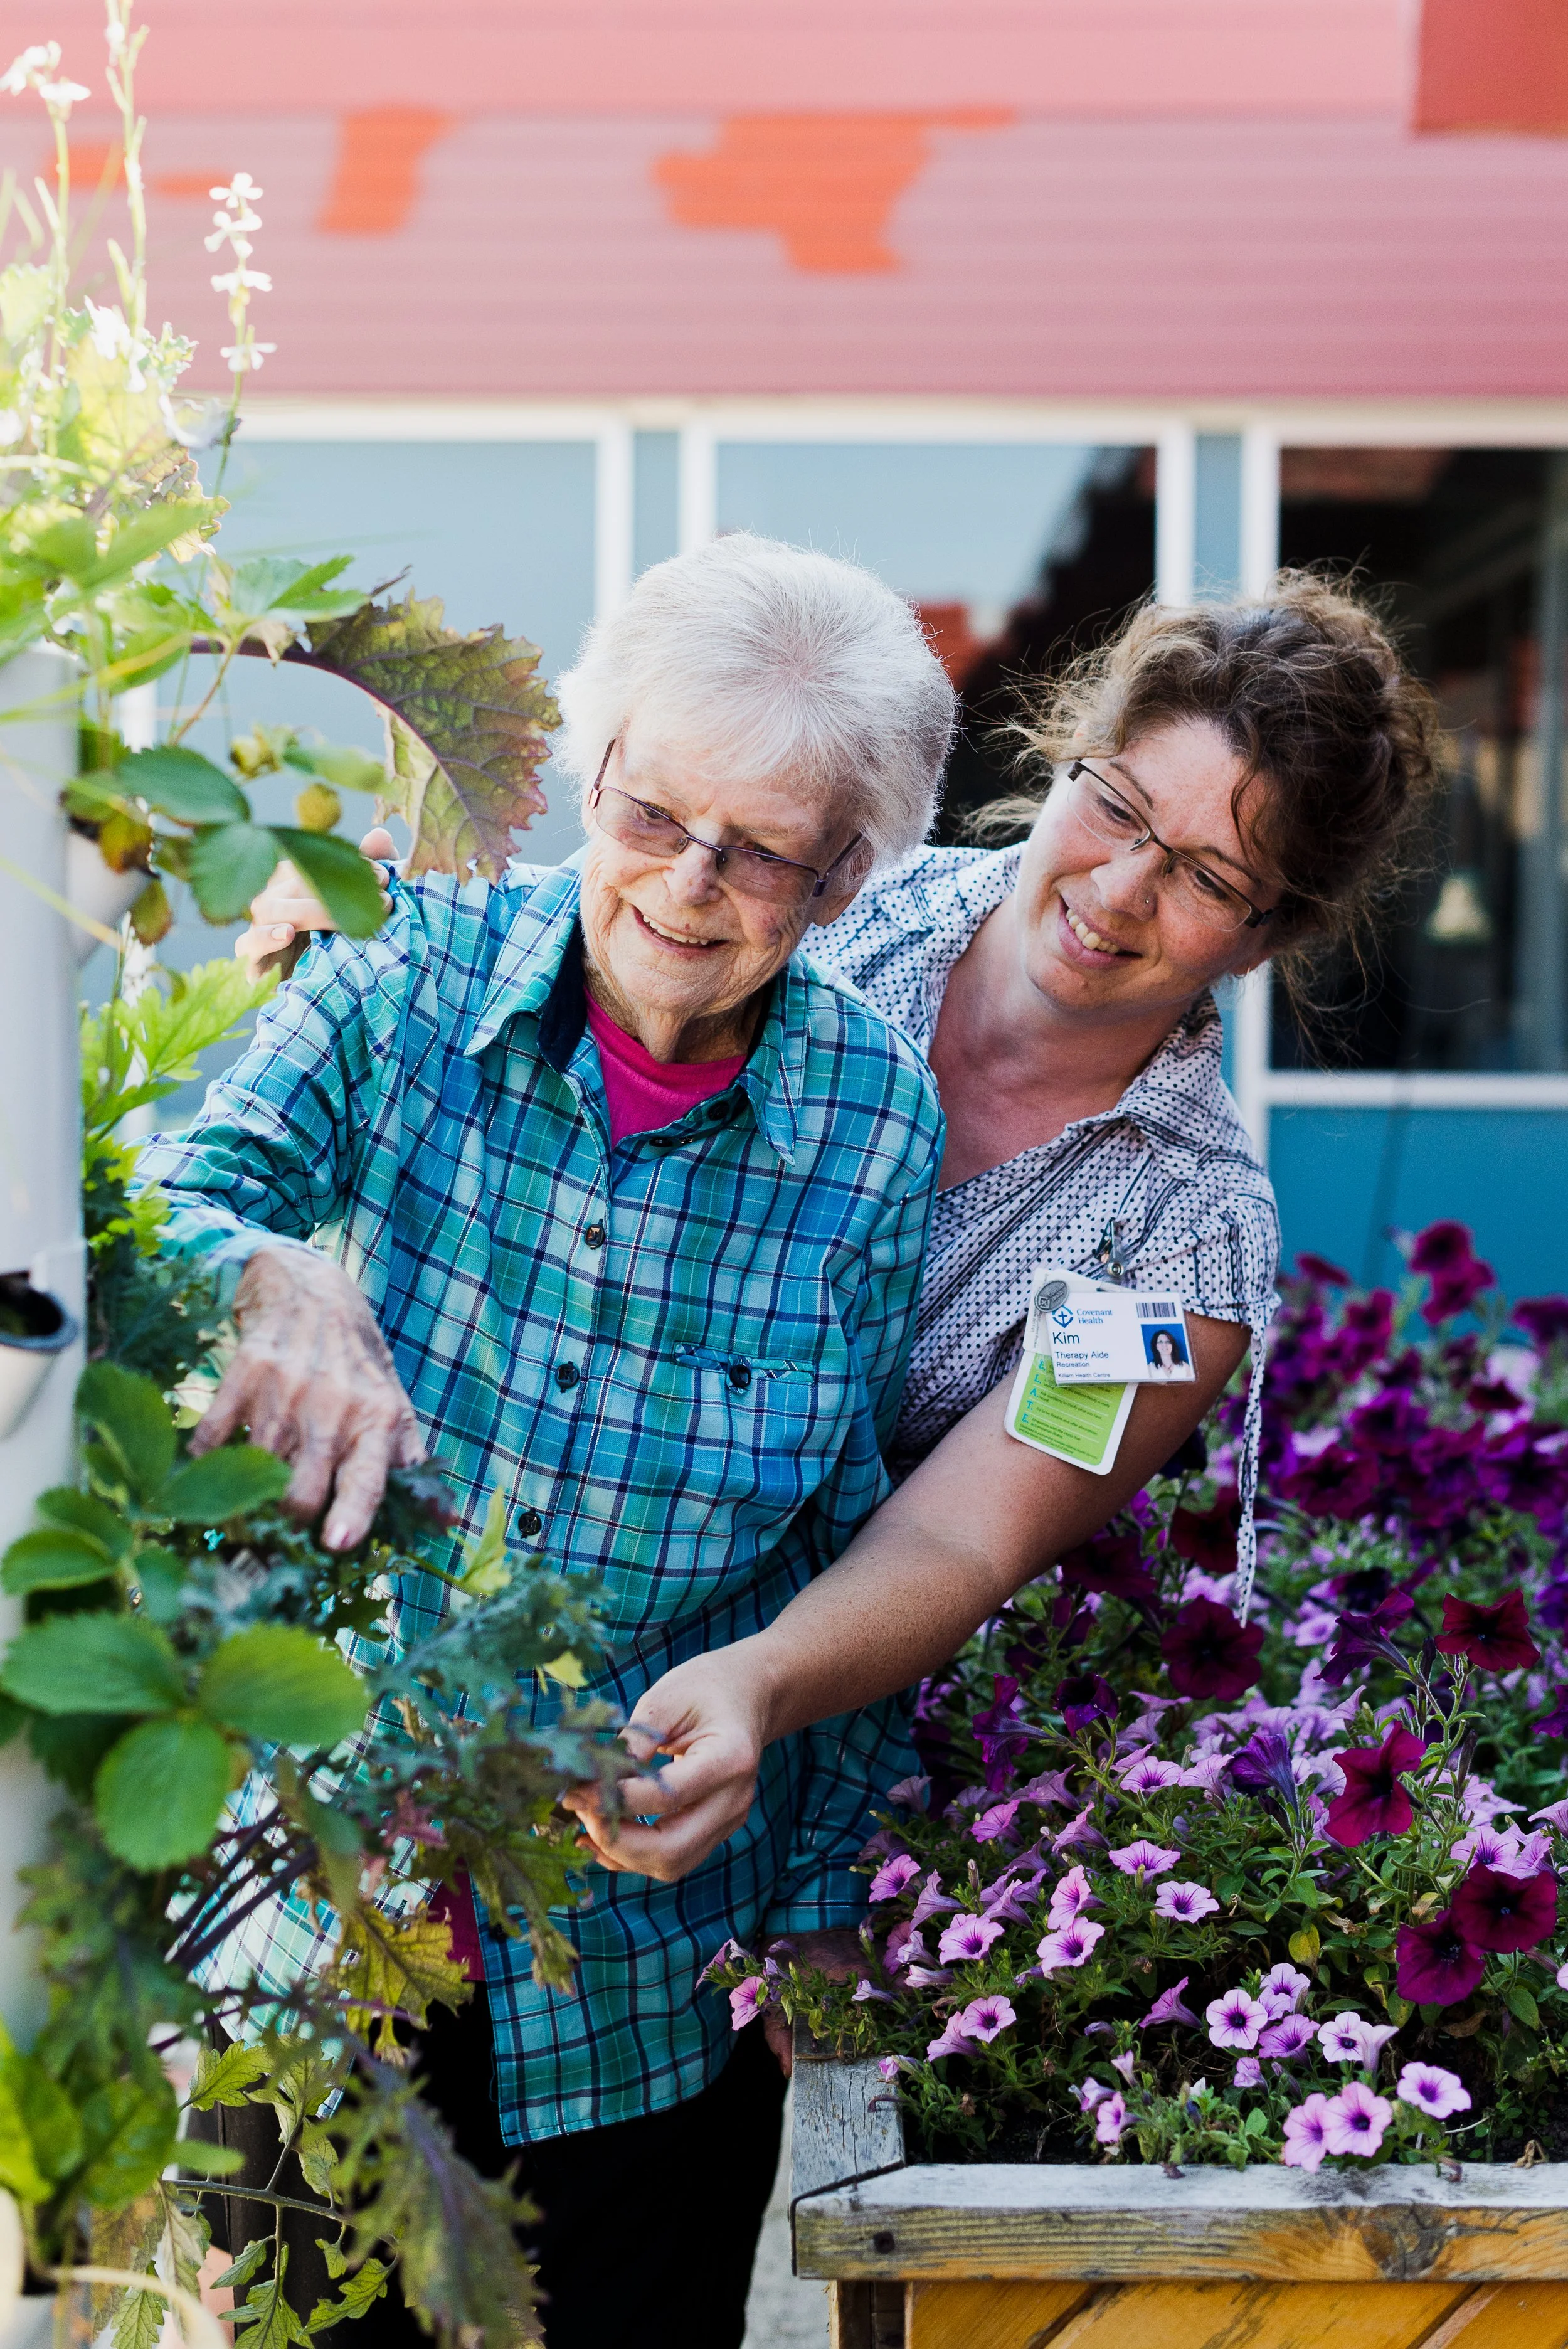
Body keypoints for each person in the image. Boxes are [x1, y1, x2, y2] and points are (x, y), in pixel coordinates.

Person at [239, 575, 1434, 2005]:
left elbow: (955, 1546)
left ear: (1264, 936)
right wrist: (357, 950)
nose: (1120, 891)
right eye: (1116, 808)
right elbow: (579, 927)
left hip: (735, 1774)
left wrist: (766, 1693)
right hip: (427, 1657)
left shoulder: (1178, 1243)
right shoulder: (822, 892)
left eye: (1207, 879)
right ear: (1060, 764)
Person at [137, 532, 956, 2349]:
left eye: (757, 852)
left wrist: (820, 1907)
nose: (684, 881)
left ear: (840, 881)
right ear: (592, 772)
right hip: (326, 1913)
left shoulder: (872, 1129)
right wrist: (278, 1278)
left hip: (642, 1966)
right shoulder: (408, 972)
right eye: (650, 810)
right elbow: (167, 1194)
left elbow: (839, 1518)